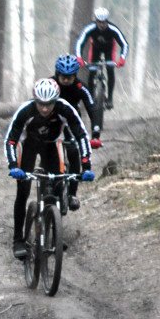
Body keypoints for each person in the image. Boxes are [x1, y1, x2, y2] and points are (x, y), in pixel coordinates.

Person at [4, 78, 95, 259]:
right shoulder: (26, 110)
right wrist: (13, 165)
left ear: (56, 100)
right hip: (29, 145)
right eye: (41, 104)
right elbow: (11, 140)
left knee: (57, 185)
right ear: (35, 100)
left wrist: (86, 166)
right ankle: (18, 240)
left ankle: (53, 234)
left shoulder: (65, 108)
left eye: (49, 104)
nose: (45, 108)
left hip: (51, 146)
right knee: (22, 191)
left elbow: (82, 136)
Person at [52, 54, 103, 211]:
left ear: (75, 75)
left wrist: (95, 133)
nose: (66, 80)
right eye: (63, 77)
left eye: (70, 77)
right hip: (52, 120)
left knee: (74, 151)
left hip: (72, 121)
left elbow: (92, 108)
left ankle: (72, 194)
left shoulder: (81, 87)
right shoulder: (50, 83)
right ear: (57, 74)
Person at [74, 7, 129, 109]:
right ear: (96, 21)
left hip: (110, 49)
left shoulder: (113, 29)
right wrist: (79, 57)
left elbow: (124, 44)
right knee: (92, 72)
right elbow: (79, 43)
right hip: (95, 49)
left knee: (110, 69)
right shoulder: (90, 28)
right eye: (99, 22)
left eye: (104, 22)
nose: (102, 25)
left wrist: (122, 58)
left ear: (107, 21)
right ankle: (90, 98)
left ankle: (110, 99)